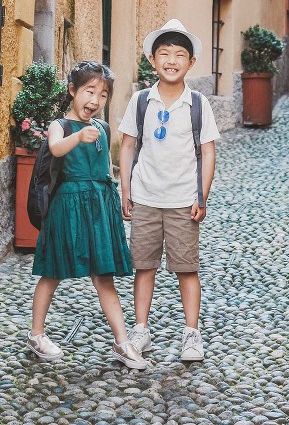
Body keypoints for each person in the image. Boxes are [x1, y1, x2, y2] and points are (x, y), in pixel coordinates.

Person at [28, 60, 147, 370]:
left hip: (98, 208)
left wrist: (118, 199)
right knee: (53, 271)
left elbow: (106, 170)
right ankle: (37, 335)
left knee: (104, 277)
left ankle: (122, 342)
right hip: (67, 208)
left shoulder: (103, 128)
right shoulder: (61, 126)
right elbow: (55, 149)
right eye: (89, 91)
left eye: (103, 95)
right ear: (72, 91)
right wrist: (77, 138)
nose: (95, 101)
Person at [119, 19, 220, 362]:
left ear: (191, 63)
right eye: (164, 54)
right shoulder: (141, 101)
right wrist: (126, 190)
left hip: (182, 201)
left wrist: (201, 196)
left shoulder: (198, 104)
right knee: (143, 266)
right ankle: (141, 328)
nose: (171, 60)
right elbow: (128, 146)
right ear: (153, 60)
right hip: (146, 197)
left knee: (186, 268)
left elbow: (208, 152)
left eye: (179, 55)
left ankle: (192, 333)